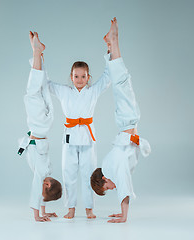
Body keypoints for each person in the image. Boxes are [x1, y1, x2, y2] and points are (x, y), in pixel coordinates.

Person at [46, 27, 113, 220]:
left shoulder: (92, 91)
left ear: (88, 77)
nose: (80, 80)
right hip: (69, 137)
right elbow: (47, 84)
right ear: (71, 76)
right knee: (69, 174)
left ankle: (90, 208)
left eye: (83, 76)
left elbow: (107, 79)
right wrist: (39, 58)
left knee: (90, 174)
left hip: (88, 137)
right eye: (76, 76)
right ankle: (71, 208)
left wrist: (109, 51)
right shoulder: (64, 91)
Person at [90, 17, 151, 223]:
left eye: (107, 188)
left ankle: (113, 41)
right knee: (121, 82)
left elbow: (124, 186)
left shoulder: (111, 167)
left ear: (104, 180)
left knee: (121, 81)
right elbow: (122, 183)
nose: (111, 188)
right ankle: (110, 44)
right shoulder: (111, 166)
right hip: (127, 122)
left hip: (127, 121)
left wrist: (124, 216)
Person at [17, 31, 62, 222]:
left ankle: (39, 54)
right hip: (39, 127)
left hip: (43, 127)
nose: (42, 187)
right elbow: (37, 189)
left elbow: (40, 191)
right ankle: (37, 53)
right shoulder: (43, 174)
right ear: (47, 185)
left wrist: (44, 212)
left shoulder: (45, 172)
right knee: (32, 92)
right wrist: (37, 215)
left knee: (41, 88)